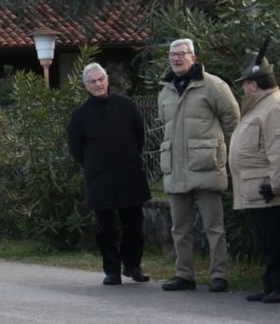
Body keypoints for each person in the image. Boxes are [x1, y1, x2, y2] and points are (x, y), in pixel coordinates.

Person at [158, 38, 239, 293]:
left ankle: (219, 275)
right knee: (179, 228)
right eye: (172, 54)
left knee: (213, 227)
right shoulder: (165, 91)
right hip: (176, 168)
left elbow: (232, 119)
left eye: (181, 54)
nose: (175, 58)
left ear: (193, 57)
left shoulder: (213, 85)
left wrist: (226, 153)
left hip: (206, 167)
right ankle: (184, 274)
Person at [66, 63, 151, 285]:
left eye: (101, 79)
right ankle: (112, 270)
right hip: (100, 178)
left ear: (107, 80)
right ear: (86, 86)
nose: (98, 84)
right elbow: (75, 149)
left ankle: (132, 265)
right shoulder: (79, 116)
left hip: (129, 174)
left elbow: (139, 136)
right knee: (104, 229)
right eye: (93, 81)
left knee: (134, 224)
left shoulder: (127, 105)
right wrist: (93, 165)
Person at [229, 51, 280, 304]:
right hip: (258, 185)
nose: (244, 89)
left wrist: (279, 184)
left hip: (270, 187)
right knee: (266, 240)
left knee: (276, 239)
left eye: (245, 84)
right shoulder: (263, 105)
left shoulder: (276, 106)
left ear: (253, 84)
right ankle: (271, 285)